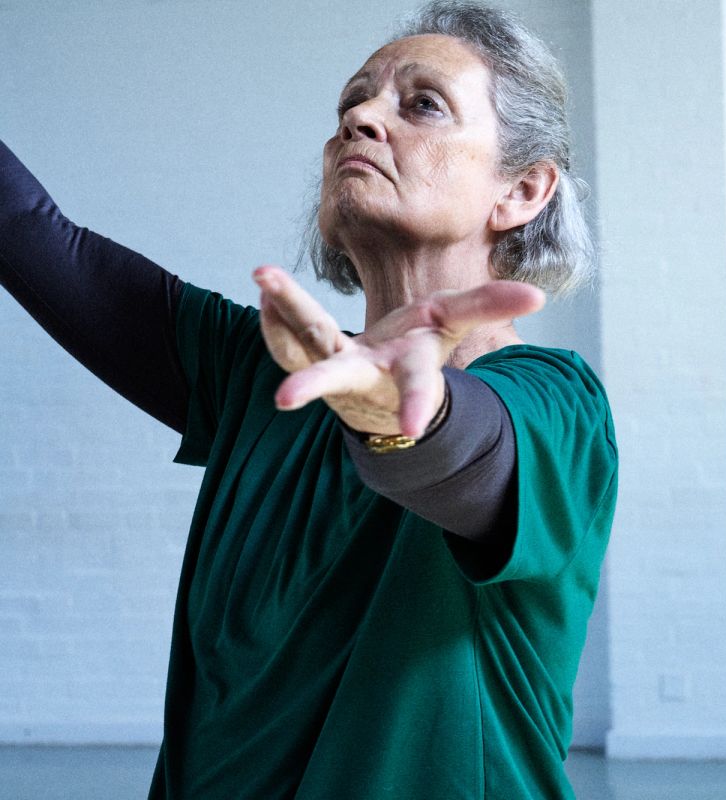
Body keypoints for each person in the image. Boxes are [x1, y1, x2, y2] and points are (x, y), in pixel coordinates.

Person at [0, 1, 616, 797]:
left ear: (524, 189)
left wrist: (399, 416)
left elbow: (474, 455)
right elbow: (32, 234)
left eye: (421, 103)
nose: (360, 116)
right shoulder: (251, 373)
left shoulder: (559, 406)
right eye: (352, 102)